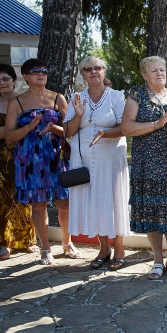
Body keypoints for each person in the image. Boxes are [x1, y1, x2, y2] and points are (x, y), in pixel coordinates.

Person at [121, 56, 167, 280]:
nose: (160, 73)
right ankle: (157, 261)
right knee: (152, 212)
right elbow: (126, 127)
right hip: (147, 164)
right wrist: (156, 125)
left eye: (162, 70)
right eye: (154, 71)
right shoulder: (137, 95)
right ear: (144, 75)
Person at [4, 59, 78, 264]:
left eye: (44, 71)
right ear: (25, 76)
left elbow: (71, 130)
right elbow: (9, 136)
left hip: (56, 158)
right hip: (29, 162)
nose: (40, 74)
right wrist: (29, 128)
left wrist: (53, 128)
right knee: (39, 205)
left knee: (65, 204)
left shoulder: (57, 98)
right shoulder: (16, 102)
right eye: (35, 71)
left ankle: (67, 242)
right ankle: (45, 248)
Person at [64, 56, 130, 270]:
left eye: (98, 68)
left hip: (111, 157)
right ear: (82, 74)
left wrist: (105, 133)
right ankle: (104, 249)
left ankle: (119, 249)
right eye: (88, 68)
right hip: (83, 159)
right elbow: (68, 132)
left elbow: (126, 127)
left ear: (104, 71)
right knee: (95, 202)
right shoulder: (77, 98)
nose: (93, 72)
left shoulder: (116, 97)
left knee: (112, 200)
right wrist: (78, 115)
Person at [0, 65, 36, 259]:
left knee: (25, 199)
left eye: (5, 78)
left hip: (24, 156)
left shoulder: (25, 101)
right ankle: (3, 244)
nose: (2, 83)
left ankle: (27, 240)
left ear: (14, 80)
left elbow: (0, 132)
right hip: (0, 159)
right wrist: (18, 129)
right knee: (1, 201)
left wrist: (3, 133)